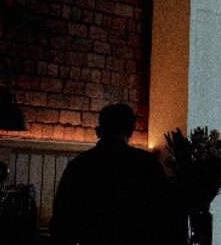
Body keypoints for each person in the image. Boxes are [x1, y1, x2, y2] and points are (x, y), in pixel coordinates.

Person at [50, 103, 169, 245]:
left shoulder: (79, 166)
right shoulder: (148, 165)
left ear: (98, 131)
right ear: (131, 130)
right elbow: (164, 217)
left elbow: (61, 223)